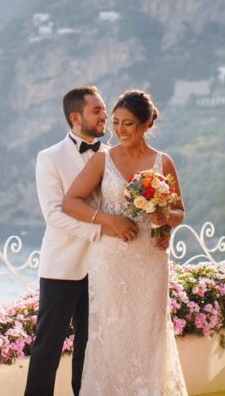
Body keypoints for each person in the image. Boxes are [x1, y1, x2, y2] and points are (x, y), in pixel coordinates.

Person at [62, 89, 188, 395]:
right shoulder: (103, 160)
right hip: (110, 261)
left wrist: (164, 218)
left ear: (146, 125)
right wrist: (109, 220)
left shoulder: (163, 162)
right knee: (112, 331)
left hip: (150, 258)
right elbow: (70, 203)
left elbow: (179, 211)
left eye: (128, 123)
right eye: (116, 122)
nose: (119, 130)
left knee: (147, 332)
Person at [24, 86, 139, 396]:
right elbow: (54, 216)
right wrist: (103, 228)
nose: (107, 116)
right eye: (97, 111)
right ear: (76, 117)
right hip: (63, 266)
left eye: (104, 110)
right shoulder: (49, 158)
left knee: (91, 348)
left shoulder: (112, 156)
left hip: (105, 266)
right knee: (48, 347)